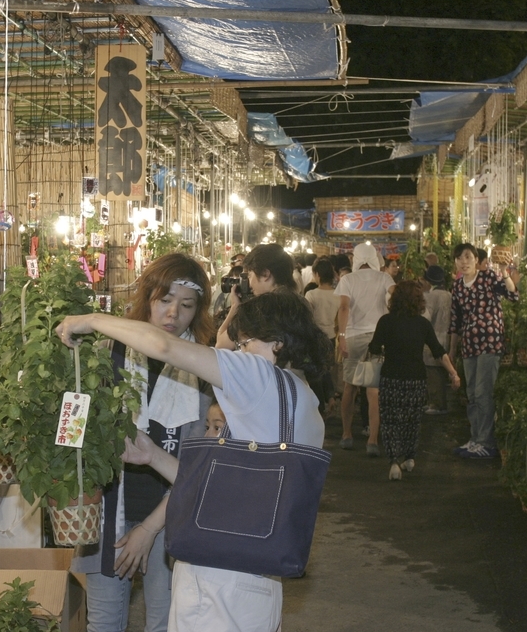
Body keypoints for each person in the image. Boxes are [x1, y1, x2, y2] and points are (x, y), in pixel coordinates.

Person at [57, 291, 329, 632]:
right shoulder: (305, 402)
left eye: (245, 342)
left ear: (277, 342)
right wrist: (154, 456)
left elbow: (163, 346)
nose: (240, 352)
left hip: (218, 582)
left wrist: (91, 320)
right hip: (258, 585)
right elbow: (223, 490)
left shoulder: (260, 377)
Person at [70, 253, 214, 632]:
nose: (173, 313)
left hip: (171, 516)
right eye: (164, 300)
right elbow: (77, 430)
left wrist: (149, 528)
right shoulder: (109, 353)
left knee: (166, 624)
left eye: (186, 305)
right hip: (107, 514)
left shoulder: (203, 369)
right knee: (103, 623)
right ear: (147, 297)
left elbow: (199, 467)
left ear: (198, 311)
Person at [369, 281, 459, 480]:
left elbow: (374, 348)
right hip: (416, 379)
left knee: (391, 421)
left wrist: (384, 349)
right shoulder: (422, 324)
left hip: (391, 377)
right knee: (412, 420)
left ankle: (394, 462)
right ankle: (409, 458)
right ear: (418, 301)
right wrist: (453, 373)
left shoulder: (385, 321)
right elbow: (439, 351)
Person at [448, 243, 519, 459]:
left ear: (476, 259)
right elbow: (455, 320)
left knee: (483, 392)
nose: (464, 262)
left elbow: (512, 295)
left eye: (468, 257)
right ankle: (475, 438)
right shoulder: (458, 286)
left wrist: (504, 272)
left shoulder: (488, 277)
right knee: (471, 393)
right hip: (469, 344)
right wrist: (452, 349)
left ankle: (486, 442)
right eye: (459, 258)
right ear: (455, 262)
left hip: (489, 342)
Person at [335, 242, 395, 454]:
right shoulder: (384, 278)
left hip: (353, 337)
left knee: (349, 387)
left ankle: (347, 434)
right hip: (378, 338)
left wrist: (342, 336)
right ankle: (372, 440)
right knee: (373, 390)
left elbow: (344, 307)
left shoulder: (348, 279)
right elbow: (396, 294)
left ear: (357, 258)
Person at [215, 243, 299, 350]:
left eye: (250, 275)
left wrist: (235, 307)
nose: (249, 283)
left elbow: (221, 344)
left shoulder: (258, 309)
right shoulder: (301, 304)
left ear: (265, 274)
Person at [305, 258, 341, 413]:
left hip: (314, 337)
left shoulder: (311, 294)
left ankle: (320, 406)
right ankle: (331, 397)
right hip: (331, 336)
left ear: (318, 275)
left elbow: (307, 318)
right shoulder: (338, 295)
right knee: (326, 369)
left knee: (315, 373)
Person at [421, 265, 453, 415]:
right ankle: (437, 403)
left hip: (432, 337)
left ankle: (436, 404)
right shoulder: (448, 295)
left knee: (432, 371)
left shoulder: (431, 296)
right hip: (446, 336)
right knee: (441, 370)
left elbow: (425, 318)